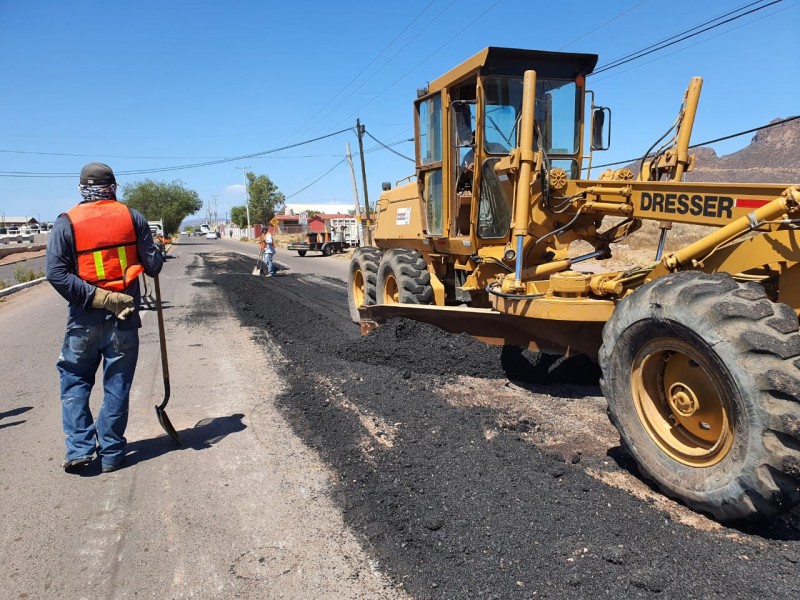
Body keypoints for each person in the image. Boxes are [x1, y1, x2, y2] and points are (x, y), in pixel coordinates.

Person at [46, 162, 164, 474]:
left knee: (74, 379)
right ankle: (111, 452)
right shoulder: (132, 217)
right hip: (125, 318)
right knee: (117, 384)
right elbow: (152, 266)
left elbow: (55, 274)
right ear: (112, 187)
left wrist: (96, 298)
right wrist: (158, 252)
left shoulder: (66, 222)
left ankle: (81, 448)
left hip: (84, 319)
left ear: (82, 189)